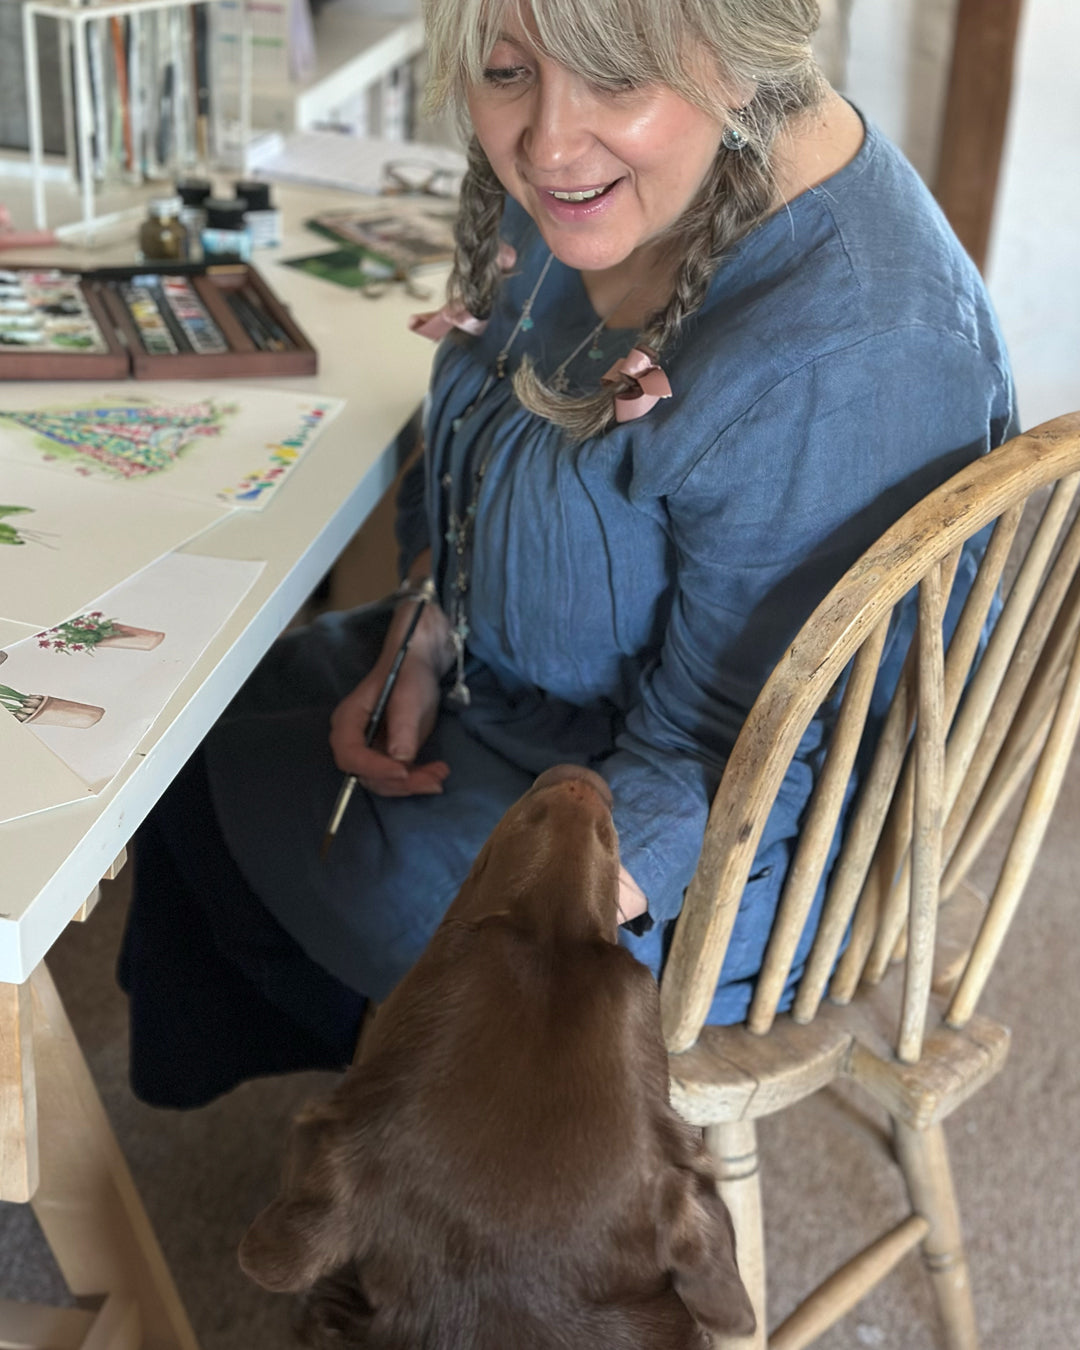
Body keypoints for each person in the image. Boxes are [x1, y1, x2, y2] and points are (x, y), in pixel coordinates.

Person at [119, 0, 1015, 1108]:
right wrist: (425, 630)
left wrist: (522, 937)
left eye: (613, 77)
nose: (547, 144)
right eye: (505, 72)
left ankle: (400, 1139)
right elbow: (484, 458)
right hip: (526, 696)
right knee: (185, 719)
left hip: (707, 861)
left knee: (216, 795)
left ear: (739, 57)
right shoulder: (622, 183)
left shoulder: (856, 358)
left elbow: (743, 756)